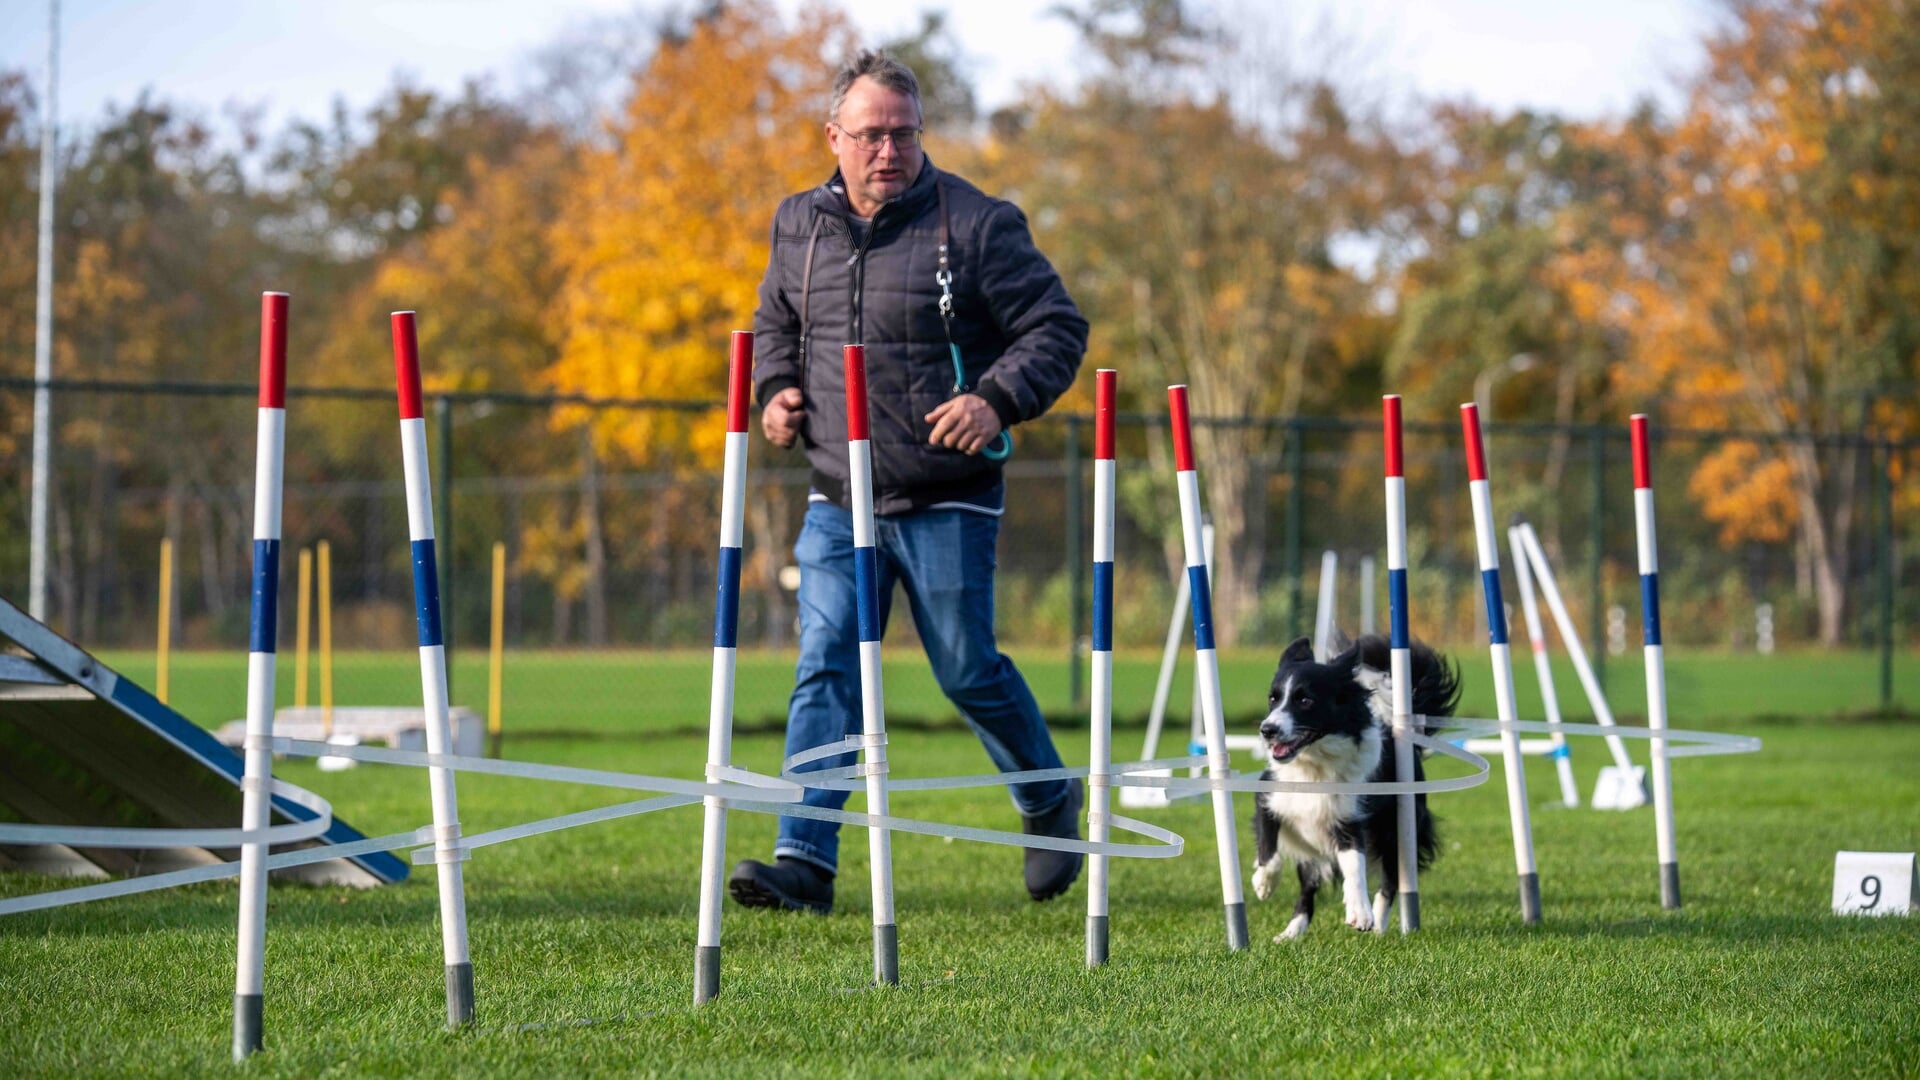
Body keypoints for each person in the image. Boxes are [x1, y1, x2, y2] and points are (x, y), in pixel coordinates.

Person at [729, 51, 1090, 914]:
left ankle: (1047, 800)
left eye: (903, 134)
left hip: (946, 494)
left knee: (966, 670)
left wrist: (995, 400)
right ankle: (804, 863)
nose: (889, 151)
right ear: (834, 138)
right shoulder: (797, 225)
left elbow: (1056, 328)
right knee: (825, 664)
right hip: (837, 493)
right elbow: (776, 323)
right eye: (871, 135)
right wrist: (773, 393)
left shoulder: (976, 223)